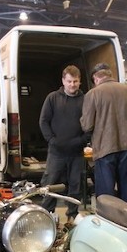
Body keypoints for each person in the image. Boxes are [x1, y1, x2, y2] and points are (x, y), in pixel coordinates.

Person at [80, 63, 127, 203]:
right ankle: (125, 221)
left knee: (106, 195)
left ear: (96, 78)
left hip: (105, 148)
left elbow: (86, 125)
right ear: (110, 74)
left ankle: (109, 222)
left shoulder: (93, 93)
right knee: (125, 191)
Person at [38, 65, 87, 225]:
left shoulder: (85, 100)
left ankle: (72, 214)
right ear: (63, 81)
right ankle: (48, 213)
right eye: (69, 81)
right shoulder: (52, 98)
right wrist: (51, 139)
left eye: (75, 81)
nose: (72, 85)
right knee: (50, 183)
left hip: (77, 152)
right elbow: (43, 121)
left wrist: (83, 140)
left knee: (76, 184)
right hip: (56, 152)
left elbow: (91, 123)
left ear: (80, 81)